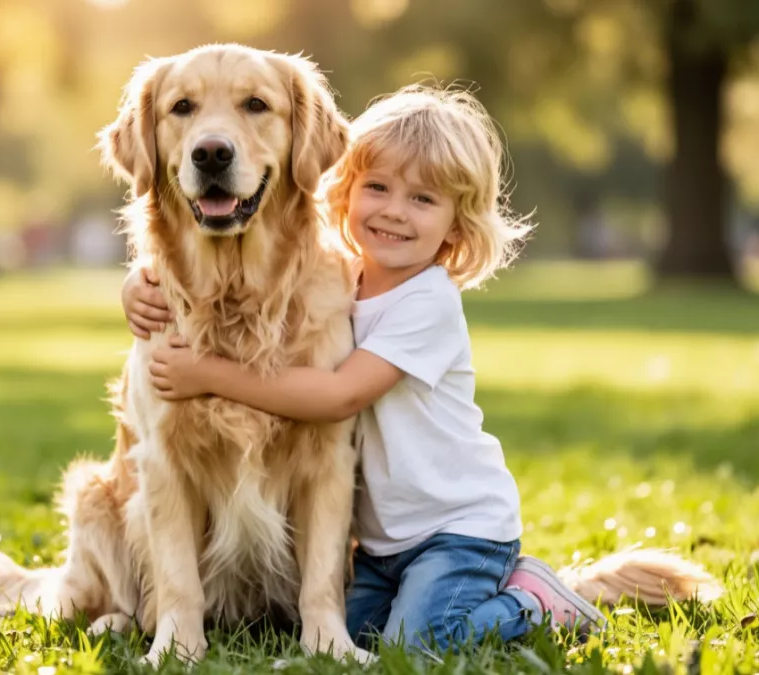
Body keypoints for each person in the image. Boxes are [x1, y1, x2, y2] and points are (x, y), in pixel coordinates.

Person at [123, 85, 605, 654]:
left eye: (423, 200)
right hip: (382, 546)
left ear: (456, 224)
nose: (395, 212)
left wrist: (208, 374)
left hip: (457, 531)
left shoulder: (429, 302)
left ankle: (535, 602)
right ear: (346, 192)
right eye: (376, 188)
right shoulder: (344, 280)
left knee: (416, 643)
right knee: (349, 639)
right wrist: (138, 282)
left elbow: (336, 397)